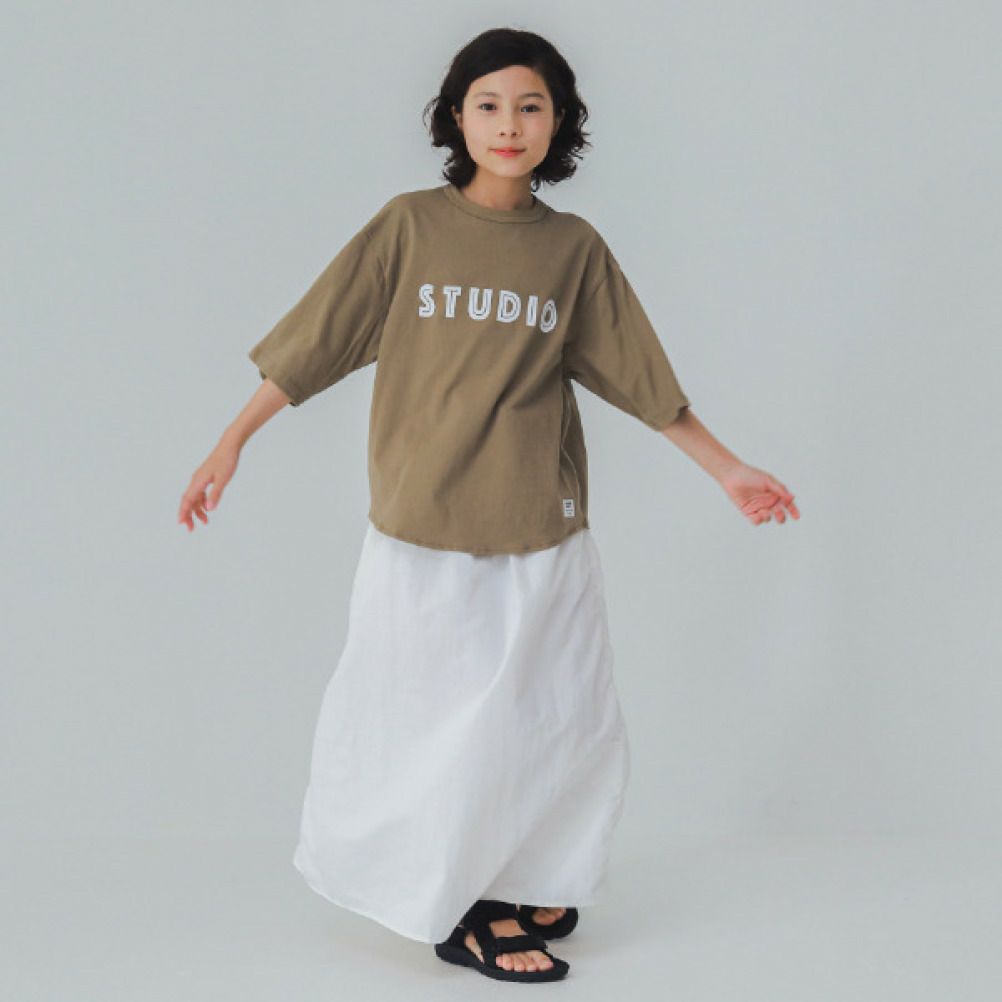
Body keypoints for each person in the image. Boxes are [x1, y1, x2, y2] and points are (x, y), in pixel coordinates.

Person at [178, 27, 799, 984]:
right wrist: (231, 441)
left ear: (560, 122)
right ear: (456, 118)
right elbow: (316, 341)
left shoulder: (572, 250)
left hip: (539, 524)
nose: (509, 125)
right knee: (437, 723)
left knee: (554, 717)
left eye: (531, 106)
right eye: (489, 105)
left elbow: (639, 376)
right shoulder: (408, 228)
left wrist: (728, 470)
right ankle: (459, 904)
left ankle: (519, 878)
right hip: (423, 529)